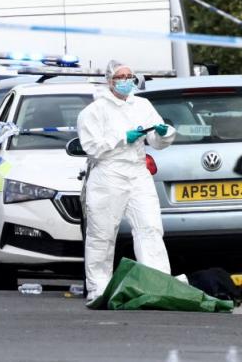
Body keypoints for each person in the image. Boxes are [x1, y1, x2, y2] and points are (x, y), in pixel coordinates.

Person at [77, 60, 176, 303]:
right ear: (110, 81)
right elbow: (92, 147)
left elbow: (156, 140)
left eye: (130, 76)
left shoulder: (142, 105)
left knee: (150, 228)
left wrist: (163, 134)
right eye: (121, 76)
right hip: (109, 173)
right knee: (102, 233)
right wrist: (122, 138)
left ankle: (158, 284)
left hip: (138, 171)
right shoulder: (94, 111)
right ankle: (98, 289)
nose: (126, 80)